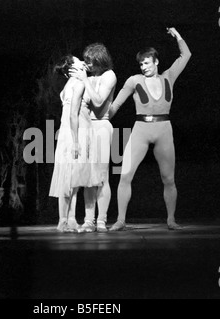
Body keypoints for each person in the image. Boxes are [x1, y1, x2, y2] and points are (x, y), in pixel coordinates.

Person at [108, 28, 192, 231]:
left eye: (147, 63)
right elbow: (115, 106)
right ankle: (120, 220)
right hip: (141, 129)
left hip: (164, 129)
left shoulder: (168, 77)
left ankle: (171, 220)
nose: (143, 66)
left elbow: (186, 55)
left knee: (168, 178)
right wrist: (99, 120)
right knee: (125, 175)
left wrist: (177, 35)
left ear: (156, 62)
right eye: (141, 64)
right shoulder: (134, 81)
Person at [49, 55, 104, 232]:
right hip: (76, 132)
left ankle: (69, 219)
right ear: (73, 67)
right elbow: (73, 114)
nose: (83, 62)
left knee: (71, 178)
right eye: (79, 60)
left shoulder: (68, 85)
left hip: (69, 131)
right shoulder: (79, 83)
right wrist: (75, 141)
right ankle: (64, 221)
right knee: (70, 178)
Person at [69, 43, 117, 233]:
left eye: (91, 61)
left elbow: (98, 102)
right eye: (86, 61)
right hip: (86, 127)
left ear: (100, 60)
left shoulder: (109, 75)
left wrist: (85, 81)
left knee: (102, 177)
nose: (88, 65)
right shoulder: (88, 77)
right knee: (88, 177)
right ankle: (89, 220)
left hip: (101, 126)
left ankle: (101, 220)